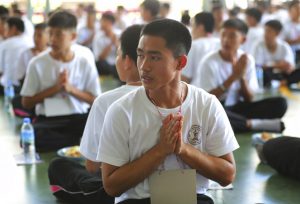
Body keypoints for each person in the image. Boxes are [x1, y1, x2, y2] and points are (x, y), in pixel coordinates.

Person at [98, 19, 239, 204]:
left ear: (180, 62)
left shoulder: (206, 104)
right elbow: (111, 185)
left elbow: (227, 175)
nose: (144, 66)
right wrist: (160, 151)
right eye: (140, 55)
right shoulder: (122, 110)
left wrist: (183, 150)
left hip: (191, 199)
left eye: (155, 57)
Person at [48, 24, 144, 204]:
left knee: (58, 166)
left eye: (117, 54)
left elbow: (91, 166)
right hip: (177, 190)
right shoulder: (188, 97)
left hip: (119, 193)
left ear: (128, 61)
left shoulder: (107, 101)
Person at [20, 11, 101, 152]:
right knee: (32, 137)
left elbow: (96, 100)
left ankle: (76, 142)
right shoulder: (37, 63)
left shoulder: (84, 58)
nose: (52, 40)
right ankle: (78, 143)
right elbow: (26, 102)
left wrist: (70, 89)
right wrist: (55, 89)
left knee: (101, 130)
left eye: (58, 34)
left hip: (78, 117)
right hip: (48, 121)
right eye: (50, 33)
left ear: (73, 36)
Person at [196, 19, 287, 133]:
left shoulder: (246, 60)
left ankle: (238, 123)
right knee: (207, 114)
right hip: (218, 108)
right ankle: (251, 124)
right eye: (223, 35)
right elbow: (208, 100)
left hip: (238, 108)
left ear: (243, 40)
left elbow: (250, 98)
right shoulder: (209, 62)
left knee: (280, 104)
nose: (225, 40)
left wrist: (242, 77)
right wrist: (233, 77)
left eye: (232, 36)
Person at [252, 20, 300, 87]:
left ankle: (284, 83)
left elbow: (288, 66)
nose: (266, 34)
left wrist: (269, 66)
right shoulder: (258, 45)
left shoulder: (284, 46)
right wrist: (276, 65)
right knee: (264, 73)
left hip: (281, 76)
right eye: (265, 31)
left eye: (269, 31)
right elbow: (257, 66)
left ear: (277, 33)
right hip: (265, 77)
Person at [181, 12, 220, 85]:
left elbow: (185, 78)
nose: (191, 30)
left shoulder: (194, 46)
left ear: (200, 27)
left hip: (198, 91)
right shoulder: (220, 43)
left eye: (193, 25)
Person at [0, 17, 33, 95]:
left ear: (14, 29)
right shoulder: (31, 42)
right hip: (26, 86)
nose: (5, 32)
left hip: (8, 86)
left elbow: (1, 69)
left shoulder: (5, 44)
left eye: (6, 29)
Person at [93, 12, 119, 78]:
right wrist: (111, 44)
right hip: (104, 65)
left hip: (117, 63)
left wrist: (116, 44)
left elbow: (123, 54)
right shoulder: (98, 37)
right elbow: (100, 58)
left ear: (110, 23)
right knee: (99, 64)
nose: (101, 23)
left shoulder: (119, 34)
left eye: (103, 21)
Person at [282, 0, 300, 65]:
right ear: (290, 10)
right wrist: (295, 41)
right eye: (296, 9)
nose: (298, 11)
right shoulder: (285, 25)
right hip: (290, 54)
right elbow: (281, 41)